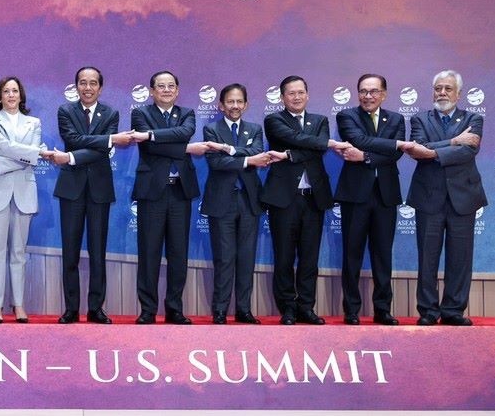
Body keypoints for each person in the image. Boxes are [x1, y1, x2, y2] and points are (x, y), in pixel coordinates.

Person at [260, 75, 351, 325]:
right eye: (291, 93)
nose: (297, 97)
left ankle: (306, 307)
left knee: (310, 258)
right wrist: (322, 144)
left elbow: (315, 149)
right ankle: (287, 308)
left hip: (314, 199)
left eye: (301, 92)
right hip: (284, 199)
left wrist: (288, 155)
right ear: (282, 97)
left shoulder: (320, 120)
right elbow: (298, 140)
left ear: (308, 95)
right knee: (285, 257)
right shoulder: (274, 120)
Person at [50, 66, 134, 324]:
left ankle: (96, 308)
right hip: (71, 188)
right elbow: (72, 139)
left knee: (98, 252)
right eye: (83, 83)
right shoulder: (65, 110)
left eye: (93, 83)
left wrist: (76, 154)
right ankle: (72, 309)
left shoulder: (111, 112)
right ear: (76, 86)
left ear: (100, 87)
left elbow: (96, 151)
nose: (87, 87)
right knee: (70, 251)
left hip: (99, 188)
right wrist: (108, 139)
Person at [403, 70, 487, 326]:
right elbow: (417, 151)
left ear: (459, 93)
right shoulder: (419, 118)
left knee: (460, 258)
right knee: (427, 257)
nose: (442, 93)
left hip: (464, 198)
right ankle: (428, 311)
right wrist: (453, 141)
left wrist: (434, 150)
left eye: (448, 89)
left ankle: (453, 311)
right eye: (438, 88)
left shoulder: (474, 118)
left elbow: (468, 151)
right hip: (428, 198)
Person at [130, 70, 206, 325]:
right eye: (160, 86)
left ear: (177, 90)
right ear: (152, 91)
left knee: (178, 253)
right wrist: (183, 148)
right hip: (152, 192)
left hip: (179, 191)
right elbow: (151, 147)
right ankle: (148, 310)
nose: (165, 90)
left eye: (170, 86)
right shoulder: (140, 114)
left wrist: (152, 135)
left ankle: (175, 309)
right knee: (149, 252)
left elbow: (183, 133)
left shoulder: (187, 113)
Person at [201, 83, 275, 325]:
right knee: (224, 258)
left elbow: (257, 153)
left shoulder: (254, 128)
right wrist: (247, 159)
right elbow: (216, 163)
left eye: (239, 101)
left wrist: (230, 150)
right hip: (222, 202)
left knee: (246, 257)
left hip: (249, 201)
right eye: (230, 102)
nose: (235, 106)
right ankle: (220, 310)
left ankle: (244, 309)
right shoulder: (211, 129)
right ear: (221, 105)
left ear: (246, 104)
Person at [334, 74, 405, 326]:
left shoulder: (396, 118)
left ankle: (383, 310)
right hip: (354, 195)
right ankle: (351, 310)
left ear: (384, 94)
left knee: (383, 255)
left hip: (385, 195)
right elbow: (358, 140)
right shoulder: (347, 116)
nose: (368, 96)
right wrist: (393, 144)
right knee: (352, 253)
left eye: (374, 91)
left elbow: (394, 155)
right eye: (363, 91)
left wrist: (364, 157)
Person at [0, 77, 46, 324]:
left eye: (15, 90)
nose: (11, 95)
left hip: (24, 193)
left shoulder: (33, 122)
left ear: (21, 95)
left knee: (19, 252)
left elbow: (26, 155)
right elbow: (3, 146)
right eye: (6, 91)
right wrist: (32, 154)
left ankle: (19, 305)